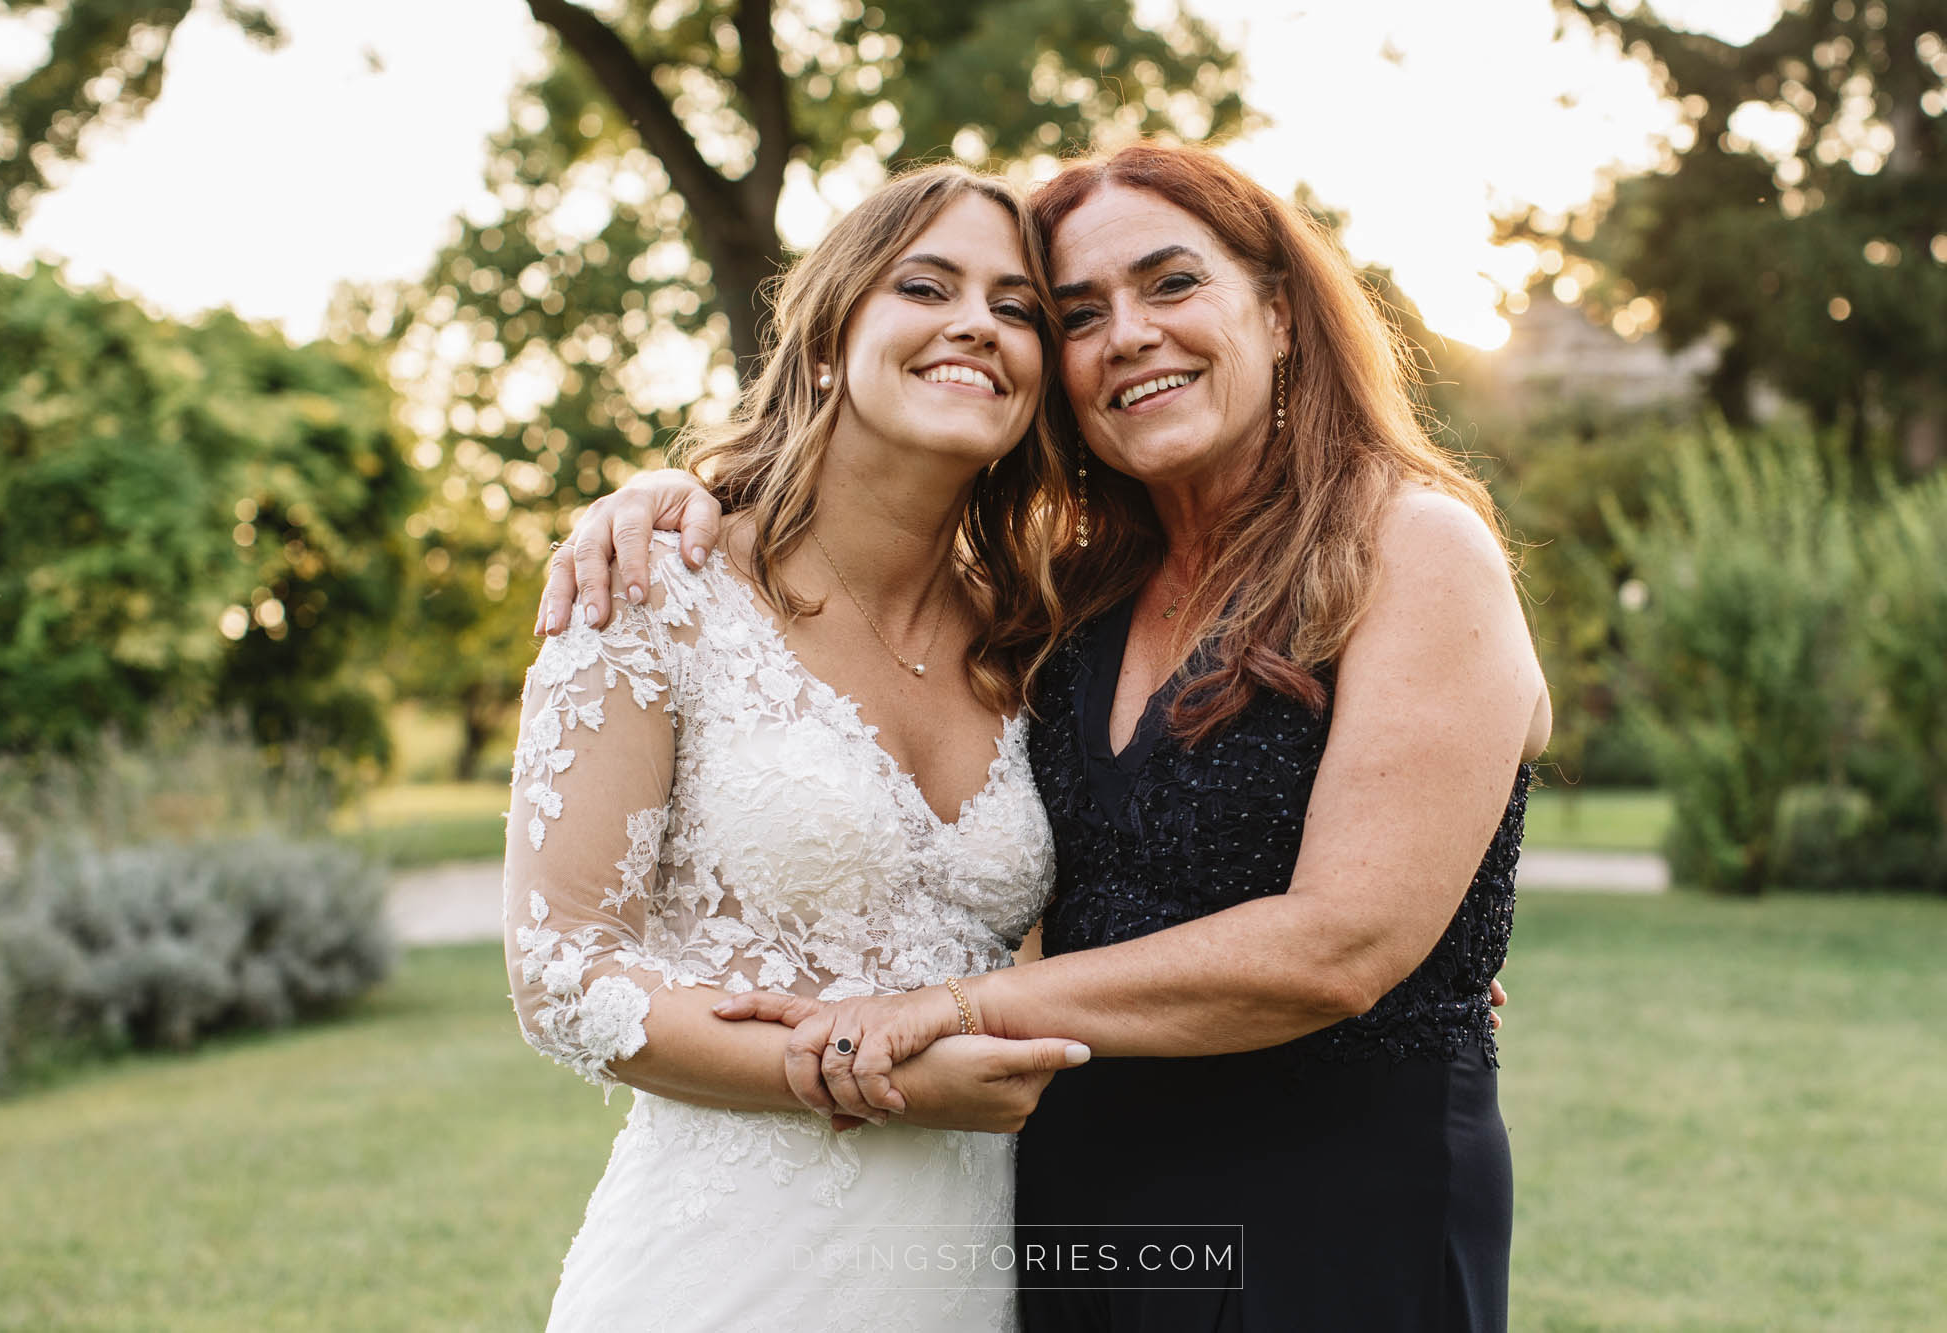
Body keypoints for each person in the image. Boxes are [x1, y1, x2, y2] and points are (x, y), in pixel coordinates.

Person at [541, 142, 1546, 1331]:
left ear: (1278, 315)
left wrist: (956, 1009)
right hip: (1070, 1208)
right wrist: (678, 491)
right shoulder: (1062, 604)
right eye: (1077, 313)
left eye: (1170, 284)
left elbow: (1344, 943)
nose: (1126, 334)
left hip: (1330, 1212)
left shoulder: (1410, 545)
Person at [501, 163, 1098, 1333]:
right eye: (924, 285)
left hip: (962, 1271)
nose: (976, 322)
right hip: (719, 1272)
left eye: (1017, 307)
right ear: (828, 340)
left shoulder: (1036, 639)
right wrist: (851, 1069)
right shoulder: (655, 589)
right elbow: (559, 970)